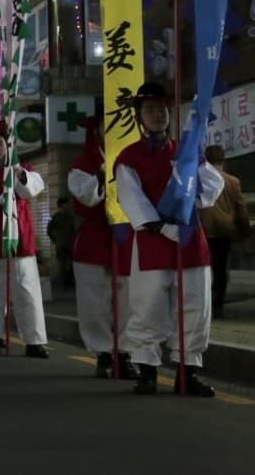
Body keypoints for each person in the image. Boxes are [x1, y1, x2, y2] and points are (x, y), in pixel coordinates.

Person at [115, 83, 223, 396]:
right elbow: (131, 199)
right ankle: (147, 371)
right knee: (147, 307)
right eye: (149, 109)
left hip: (190, 240)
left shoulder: (188, 151)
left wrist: (191, 200)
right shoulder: (129, 158)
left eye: (162, 109)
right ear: (139, 117)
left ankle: (188, 373)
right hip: (152, 242)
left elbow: (212, 187)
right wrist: (163, 228)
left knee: (195, 306)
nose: (157, 115)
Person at [0, 120, 50, 359]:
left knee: (27, 288)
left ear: (7, 146)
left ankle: (34, 341)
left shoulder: (21, 167)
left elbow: (32, 189)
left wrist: (20, 175)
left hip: (20, 234)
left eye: (0, 144)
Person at [67, 114, 137, 379]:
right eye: (105, 127)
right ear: (96, 132)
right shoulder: (81, 165)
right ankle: (103, 354)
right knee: (94, 302)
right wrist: (103, 171)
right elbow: (87, 197)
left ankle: (125, 354)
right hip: (94, 240)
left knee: (127, 300)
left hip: (127, 236)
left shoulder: (134, 157)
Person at [199, 144, 250, 319]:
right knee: (220, 270)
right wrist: (245, 232)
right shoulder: (232, 181)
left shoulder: (198, 179)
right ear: (222, 159)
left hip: (202, 231)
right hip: (223, 231)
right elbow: (241, 210)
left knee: (202, 269)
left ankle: (203, 306)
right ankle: (218, 306)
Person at [47, 196, 77, 291]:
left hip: (71, 244)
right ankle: (65, 283)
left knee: (72, 264)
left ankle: (70, 281)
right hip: (61, 244)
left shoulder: (71, 217)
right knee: (63, 265)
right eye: (67, 204)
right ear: (61, 205)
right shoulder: (56, 217)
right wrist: (55, 240)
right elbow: (49, 230)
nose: (69, 206)